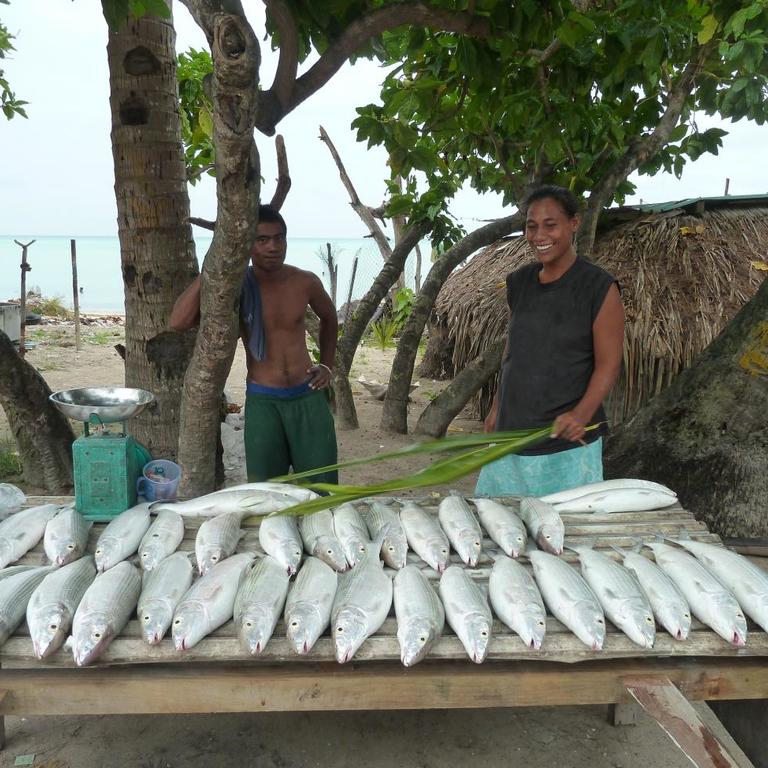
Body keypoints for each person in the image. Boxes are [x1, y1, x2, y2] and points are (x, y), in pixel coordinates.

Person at [170, 205, 339, 484]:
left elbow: (329, 317)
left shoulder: (304, 281)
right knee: (266, 490)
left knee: (322, 488)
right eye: (262, 240)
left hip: (308, 396)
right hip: (264, 400)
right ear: (247, 244)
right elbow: (178, 321)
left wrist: (327, 366)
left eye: (279, 237)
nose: (273, 246)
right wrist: (211, 271)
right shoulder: (235, 286)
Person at [475, 185, 624, 497]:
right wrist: (496, 408)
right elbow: (514, 351)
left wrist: (582, 414)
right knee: (507, 530)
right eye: (532, 226)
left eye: (550, 224)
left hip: (564, 441)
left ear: (574, 223)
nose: (539, 235)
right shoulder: (520, 283)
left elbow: (608, 364)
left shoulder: (599, 288)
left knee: (565, 534)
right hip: (511, 434)